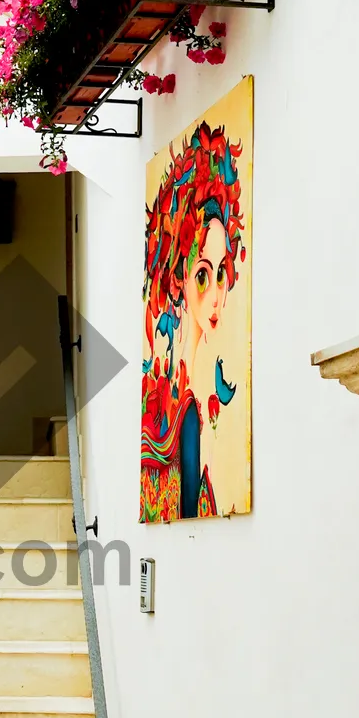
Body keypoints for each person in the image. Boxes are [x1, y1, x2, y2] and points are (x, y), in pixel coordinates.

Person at [140, 119, 245, 522]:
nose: (216, 293)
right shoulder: (184, 412)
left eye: (220, 272)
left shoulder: (176, 397)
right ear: (176, 276)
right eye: (202, 273)